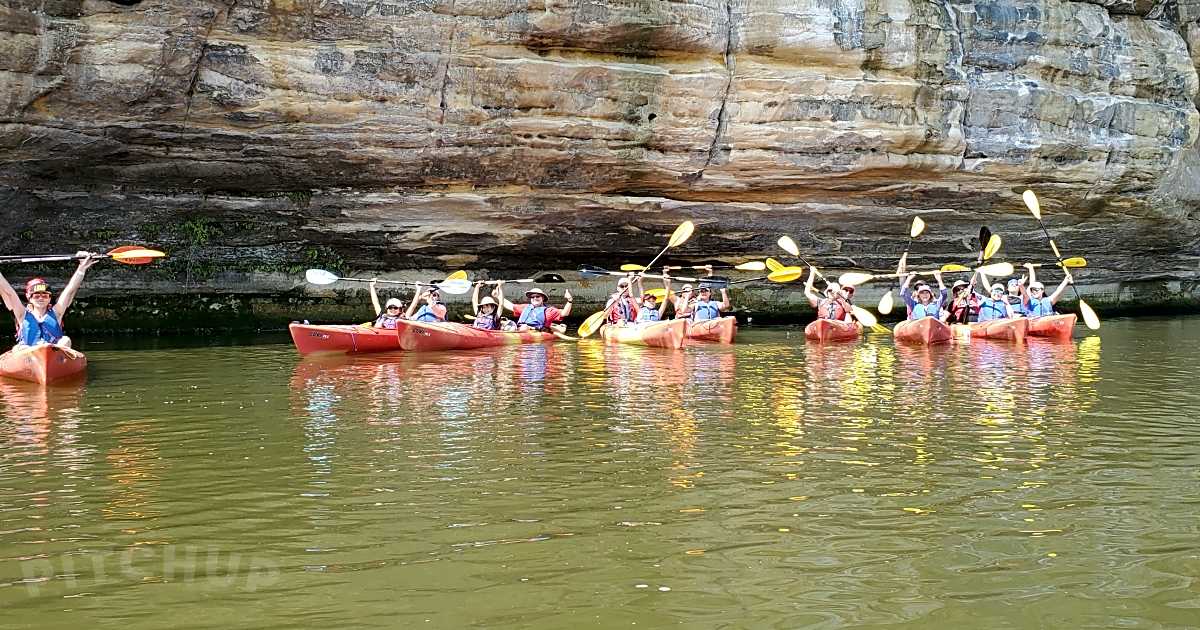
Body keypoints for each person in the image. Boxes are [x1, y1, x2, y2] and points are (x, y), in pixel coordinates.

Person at [0, 252, 98, 349]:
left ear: (50, 298)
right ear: (29, 298)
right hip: (29, 353)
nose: (41, 298)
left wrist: (81, 267)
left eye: (45, 295)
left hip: (53, 351)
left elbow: (70, 290)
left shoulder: (57, 312)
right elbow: (8, 291)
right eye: (37, 295)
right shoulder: (22, 314)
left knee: (65, 340)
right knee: (18, 348)